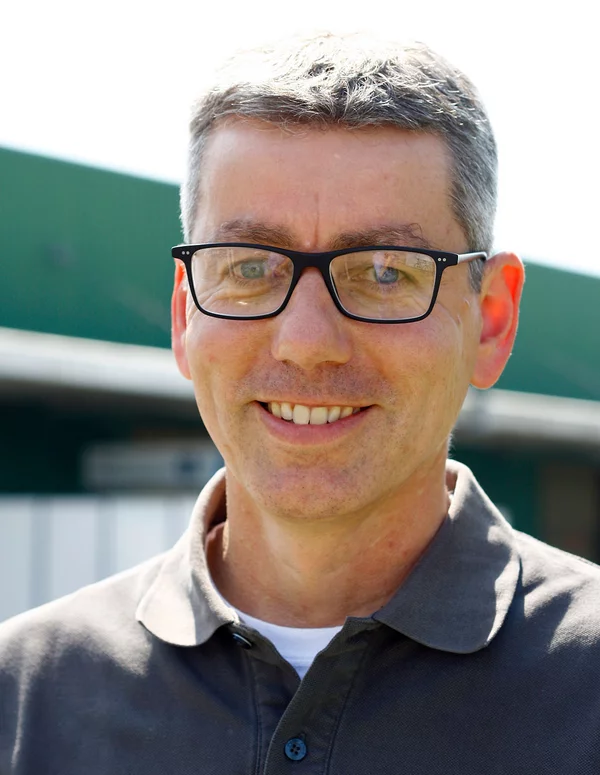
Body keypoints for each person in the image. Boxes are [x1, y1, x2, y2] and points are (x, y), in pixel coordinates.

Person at [1, 33, 599, 775]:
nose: (306, 342)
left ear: (492, 319)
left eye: (385, 271)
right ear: (186, 315)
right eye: (250, 266)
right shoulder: (24, 697)